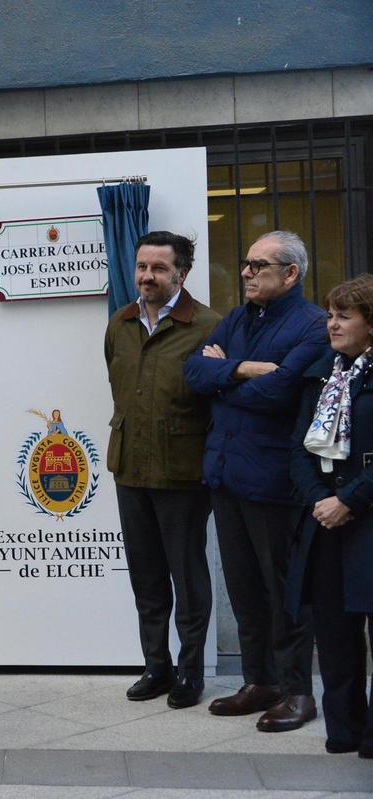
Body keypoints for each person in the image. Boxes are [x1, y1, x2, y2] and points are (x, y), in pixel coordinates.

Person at [184, 230, 328, 732]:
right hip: (227, 476)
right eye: (246, 263)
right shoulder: (240, 318)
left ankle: (296, 691)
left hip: (273, 482)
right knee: (244, 590)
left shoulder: (312, 326)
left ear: (290, 274)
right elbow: (193, 373)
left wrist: (223, 380)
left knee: (283, 592)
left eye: (258, 265)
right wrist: (242, 370)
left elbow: (281, 395)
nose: (246, 272)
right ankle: (259, 681)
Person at [105, 231, 221, 708]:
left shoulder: (210, 327)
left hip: (182, 475)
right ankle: (157, 665)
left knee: (187, 578)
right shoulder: (121, 322)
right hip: (130, 470)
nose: (147, 277)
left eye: (158, 268)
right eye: (141, 267)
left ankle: (190, 672)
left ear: (181, 274)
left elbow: (220, 401)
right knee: (146, 578)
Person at [286, 274, 373, 758]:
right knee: (335, 638)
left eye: (344, 315)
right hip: (325, 522)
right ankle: (343, 730)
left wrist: (350, 500)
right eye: (330, 314)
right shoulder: (325, 371)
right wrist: (321, 498)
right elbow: (299, 447)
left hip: (365, 517)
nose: (332, 323)